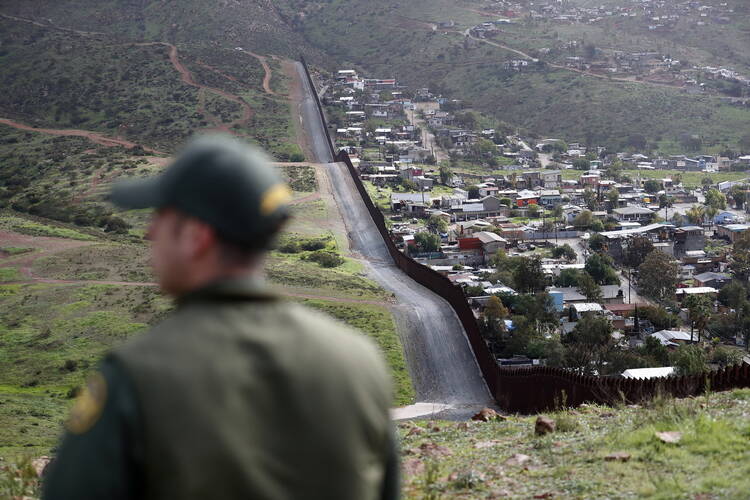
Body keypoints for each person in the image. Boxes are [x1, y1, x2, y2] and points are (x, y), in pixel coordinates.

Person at [43, 135, 399, 500]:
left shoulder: (135, 376)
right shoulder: (360, 361)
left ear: (197, 236)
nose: (150, 232)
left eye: (161, 216)